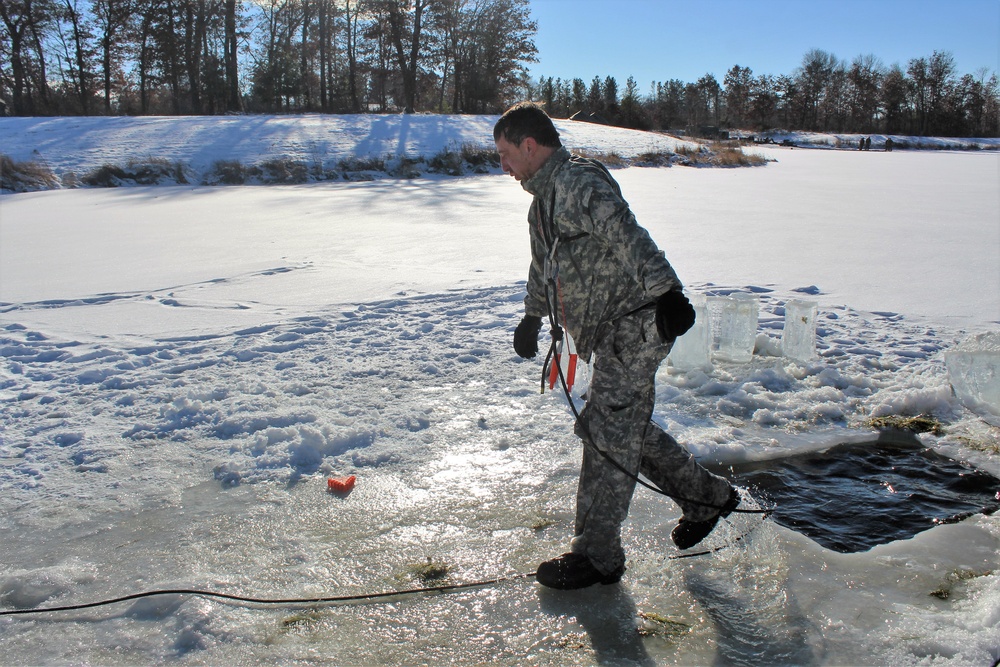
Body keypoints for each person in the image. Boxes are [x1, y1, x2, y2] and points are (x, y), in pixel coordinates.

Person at [494, 102, 739, 590]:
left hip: (636, 325)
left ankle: (598, 555)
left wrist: (668, 292)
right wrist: (531, 315)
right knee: (624, 428)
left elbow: (627, 234)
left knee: (607, 432)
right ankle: (706, 497)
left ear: (529, 145)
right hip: (605, 333)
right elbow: (543, 266)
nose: (501, 164)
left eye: (505, 153)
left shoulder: (579, 183)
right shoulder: (540, 202)